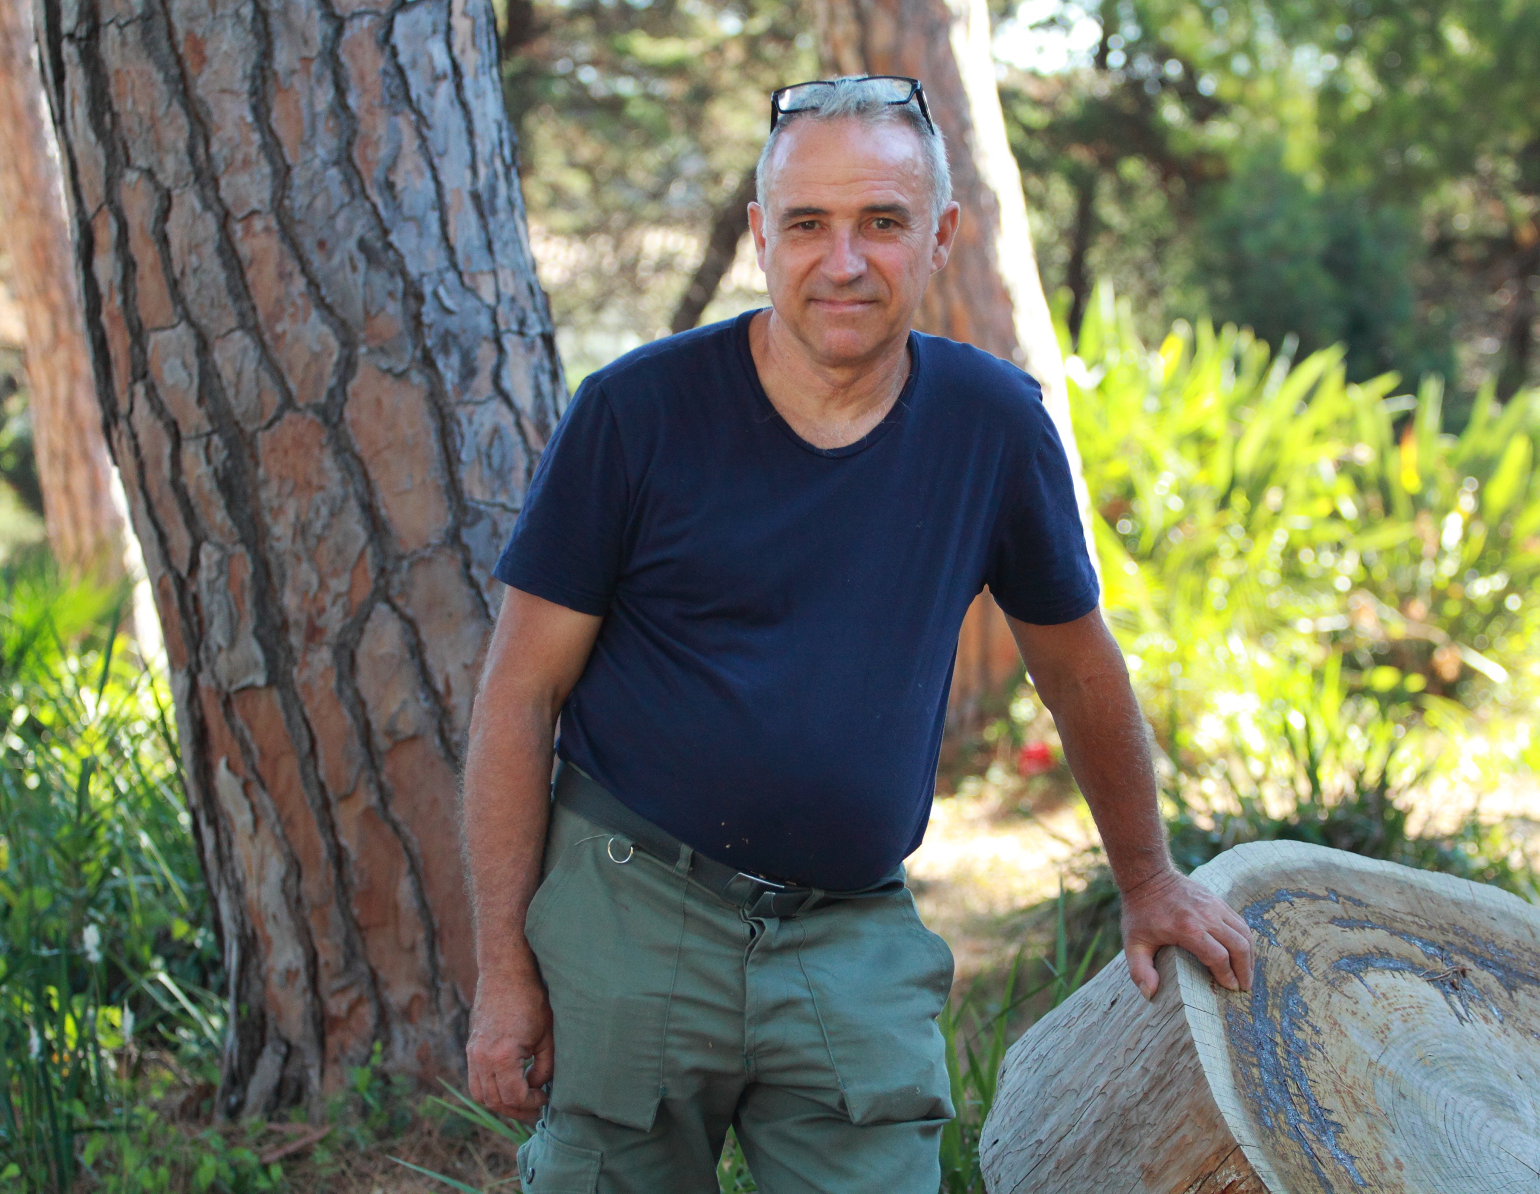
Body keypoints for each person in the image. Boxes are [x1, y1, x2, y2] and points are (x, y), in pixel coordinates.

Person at [460, 74, 1253, 1193]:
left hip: (851, 933)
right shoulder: (635, 414)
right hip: (630, 910)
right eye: (808, 225)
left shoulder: (991, 425)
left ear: (940, 234)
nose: (844, 262)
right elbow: (519, 695)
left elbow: (1075, 667)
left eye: (882, 223)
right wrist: (506, 973)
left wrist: (1149, 879)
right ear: (758, 237)